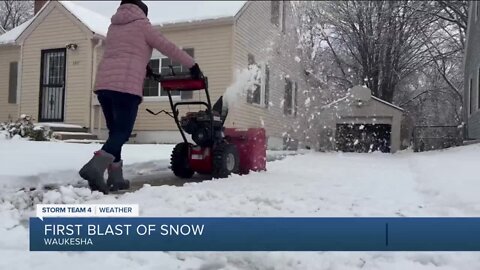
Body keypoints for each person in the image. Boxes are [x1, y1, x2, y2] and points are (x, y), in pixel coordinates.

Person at [79, 0, 202, 194]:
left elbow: (123, 52)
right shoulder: (142, 25)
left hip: (104, 85)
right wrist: (192, 65)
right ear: (143, 12)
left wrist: (145, 67)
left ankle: (115, 178)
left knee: (115, 134)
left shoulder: (114, 26)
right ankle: (94, 167)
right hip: (125, 88)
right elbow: (167, 47)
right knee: (122, 133)